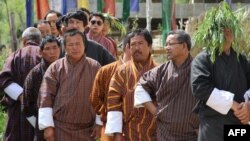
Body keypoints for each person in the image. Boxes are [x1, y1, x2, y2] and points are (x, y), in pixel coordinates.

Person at [134, 30, 199, 141]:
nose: (167, 48)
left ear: (184, 46)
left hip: (193, 133)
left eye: (171, 44)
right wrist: (155, 111)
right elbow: (140, 87)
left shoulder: (199, 69)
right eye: (166, 44)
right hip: (165, 133)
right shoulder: (161, 71)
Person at [191, 18, 250, 141]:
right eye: (221, 29)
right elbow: (200, 88)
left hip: (240, 122)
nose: (226, 31)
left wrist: (248, 105)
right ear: (212, 33)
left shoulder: (242, 59)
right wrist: (232, 104)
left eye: (229, 28)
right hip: (214, 124)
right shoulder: (202, 59)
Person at [38, 29, 102, 141]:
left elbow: (102, 96)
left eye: (78, 44)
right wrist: (48, 126)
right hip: (61, 128)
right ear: (65, 47)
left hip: (87, 129)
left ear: (84, 45)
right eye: (71, 44)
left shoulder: (95, 66)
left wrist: (99, 122)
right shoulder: (55, 68)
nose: (75, 47)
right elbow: (45, 96)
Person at [105, 28, 157, 141]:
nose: (137, 48)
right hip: (128, 133)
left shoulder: (159, 71)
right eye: (133, 44)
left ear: (150, 46)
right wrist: (117, 133)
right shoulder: (122, 72)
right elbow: (113, 102)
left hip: (154, 133)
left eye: (140, 43)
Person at [0, 27, 42, 141]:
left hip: (18, 111)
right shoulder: (47, 54)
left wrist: (21, 96)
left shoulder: (14, 56)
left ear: (23, 41)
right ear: (40, 40)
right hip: (41, 110)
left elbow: (4, 79)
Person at [90, 33, 132, 141]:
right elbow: (95, 98)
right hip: (110, 127)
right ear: (127, 47)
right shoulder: (106, 70)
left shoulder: (149, 72)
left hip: (138, 128)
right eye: (136, 45)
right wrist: (104, 116)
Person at [23, 35, 61, 141]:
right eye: (47, 49)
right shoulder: (35, 74)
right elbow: (26, 105)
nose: (52, 52)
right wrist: (42, 124)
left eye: (54, 48)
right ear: (40, 52)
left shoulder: (67, 69)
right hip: (43, 129)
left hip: (67, 127)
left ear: (60, 49)